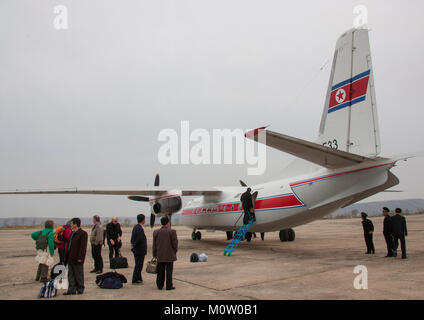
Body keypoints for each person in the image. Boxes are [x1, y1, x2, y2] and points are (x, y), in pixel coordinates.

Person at [153, 216, 178, 291]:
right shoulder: (172, 231)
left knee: (160, 272)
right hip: (169, 255)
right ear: (168, 223)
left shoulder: (156, 232)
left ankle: (160, 285)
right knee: (169, 272)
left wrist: (155, 254)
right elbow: (175, 244)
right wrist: (174, 252)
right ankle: (169, 286)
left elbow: (154, 245)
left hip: (160, 255)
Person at [64, 218, 88, 295]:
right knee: (70, 274)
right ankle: (71, 290)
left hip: (77, 258)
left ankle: (80, 289)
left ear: (75, 224)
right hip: (70, 257)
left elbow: (83, 247)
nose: (70, 225)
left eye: (71, 223)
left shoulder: (83, 234)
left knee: (78, 274)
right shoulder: (72, 233)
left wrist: (80, 258)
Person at [131, 214, 147, 284]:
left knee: (138, 264)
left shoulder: (136, 227)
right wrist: (135, 245)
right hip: (139, 250)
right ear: (143, 220)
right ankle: (135, 280)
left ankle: (139, 278)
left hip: (136, 250)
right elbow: (139, 239)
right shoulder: (140, 229)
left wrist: (133, 245)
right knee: (139, 266)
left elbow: (133, 238)